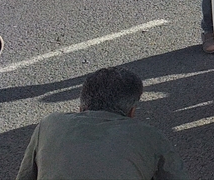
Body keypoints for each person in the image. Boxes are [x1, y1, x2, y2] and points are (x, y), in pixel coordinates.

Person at [16, 67, 189, 180]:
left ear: (81, 107)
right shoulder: (151, 137)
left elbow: (25, 177)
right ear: (132, 112)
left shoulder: (50, 124)